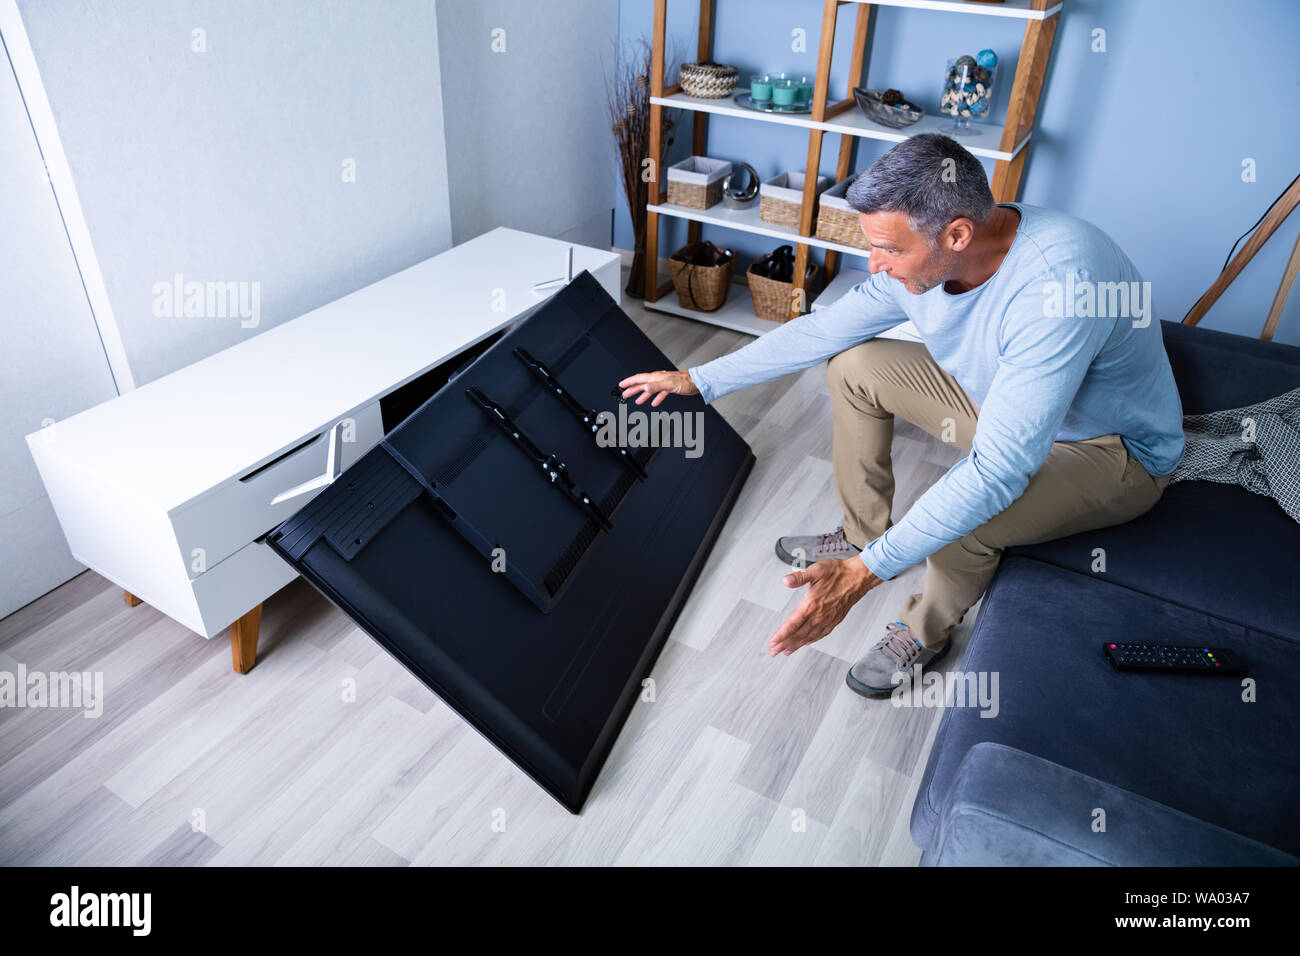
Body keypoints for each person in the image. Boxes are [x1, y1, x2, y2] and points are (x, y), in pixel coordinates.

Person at [618, 134, 1185, 698]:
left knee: (970, 521)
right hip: (1005, 400)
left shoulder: (1058, 286)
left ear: (957, 233)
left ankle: (923, 631)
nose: (874, 263)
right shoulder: (931, 256)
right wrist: (700, 378)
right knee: (855, 366)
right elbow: (823, 329)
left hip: (1111, 451)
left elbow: (997, 472)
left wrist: (865, 578)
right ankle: (862, 533)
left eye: (888, 248)